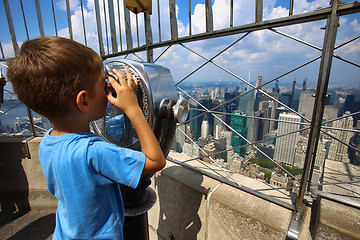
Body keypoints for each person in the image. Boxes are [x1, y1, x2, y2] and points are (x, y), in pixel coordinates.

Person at [7, 36, 166, 240]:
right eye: (104, 87)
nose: (110, 91)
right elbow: (155, 160)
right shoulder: (94, 152)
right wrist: (133, 108)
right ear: (83, 101)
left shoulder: (48, 142)